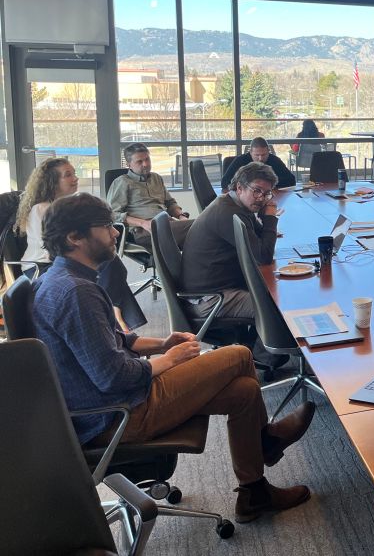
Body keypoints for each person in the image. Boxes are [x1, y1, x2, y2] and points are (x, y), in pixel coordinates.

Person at [30, 193, 314, 522]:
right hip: (117, 415)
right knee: (238, 355)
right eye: (106, 226)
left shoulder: (65, 280)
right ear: (74, 237)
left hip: (112, 403)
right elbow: (112, 376)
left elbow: (117, 340)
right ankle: (265, 442)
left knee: (245, 393)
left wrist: (162, 343)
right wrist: (172, 359)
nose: (115, 233)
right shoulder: (75, 292)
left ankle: (254, 492)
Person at [14, 158, 146, 330]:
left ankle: (116, 317)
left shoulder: (66, 207)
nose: (75, 179)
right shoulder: (42, 209)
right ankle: (116, 318)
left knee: (109, 261)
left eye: (74, 173)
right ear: (52, 181)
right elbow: (53, 247)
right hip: (43, 266)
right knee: (108, 263)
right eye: (68, 175)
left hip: (63, 259)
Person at [181, 162, 286, 369]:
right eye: (256, 191)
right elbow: (263, 256)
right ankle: (261, 357)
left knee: (274, 288)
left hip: (219, 287)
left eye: (266, 194)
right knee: (277, 304)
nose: (261, 198)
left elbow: (258, 240)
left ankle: (253, 346)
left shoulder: (235, 205)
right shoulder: (229, 213)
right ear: (239, 187)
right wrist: (271, 217)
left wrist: (264, 217)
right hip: (209, 299)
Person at [107, 143, 193, 249]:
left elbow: (170, 203)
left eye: (147, 159)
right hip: (144, 231)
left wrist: (181, 216)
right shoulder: (122, 182)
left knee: (202, 241)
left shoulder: (156, 178)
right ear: (129, 164)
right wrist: (143, 223)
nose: (145, 164)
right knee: (202, 225)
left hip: (167, 224)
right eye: (139, 161)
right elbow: (112, 214)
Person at [221, 136, 295, 191]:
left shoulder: (274, 160)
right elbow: (224, 182)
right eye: (257, 155)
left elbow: (291, 180)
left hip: (269, 197)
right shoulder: (240, 161)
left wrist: (267, 183)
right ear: (250, 153)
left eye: (264, 155)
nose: (260, 158)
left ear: (268, 152)